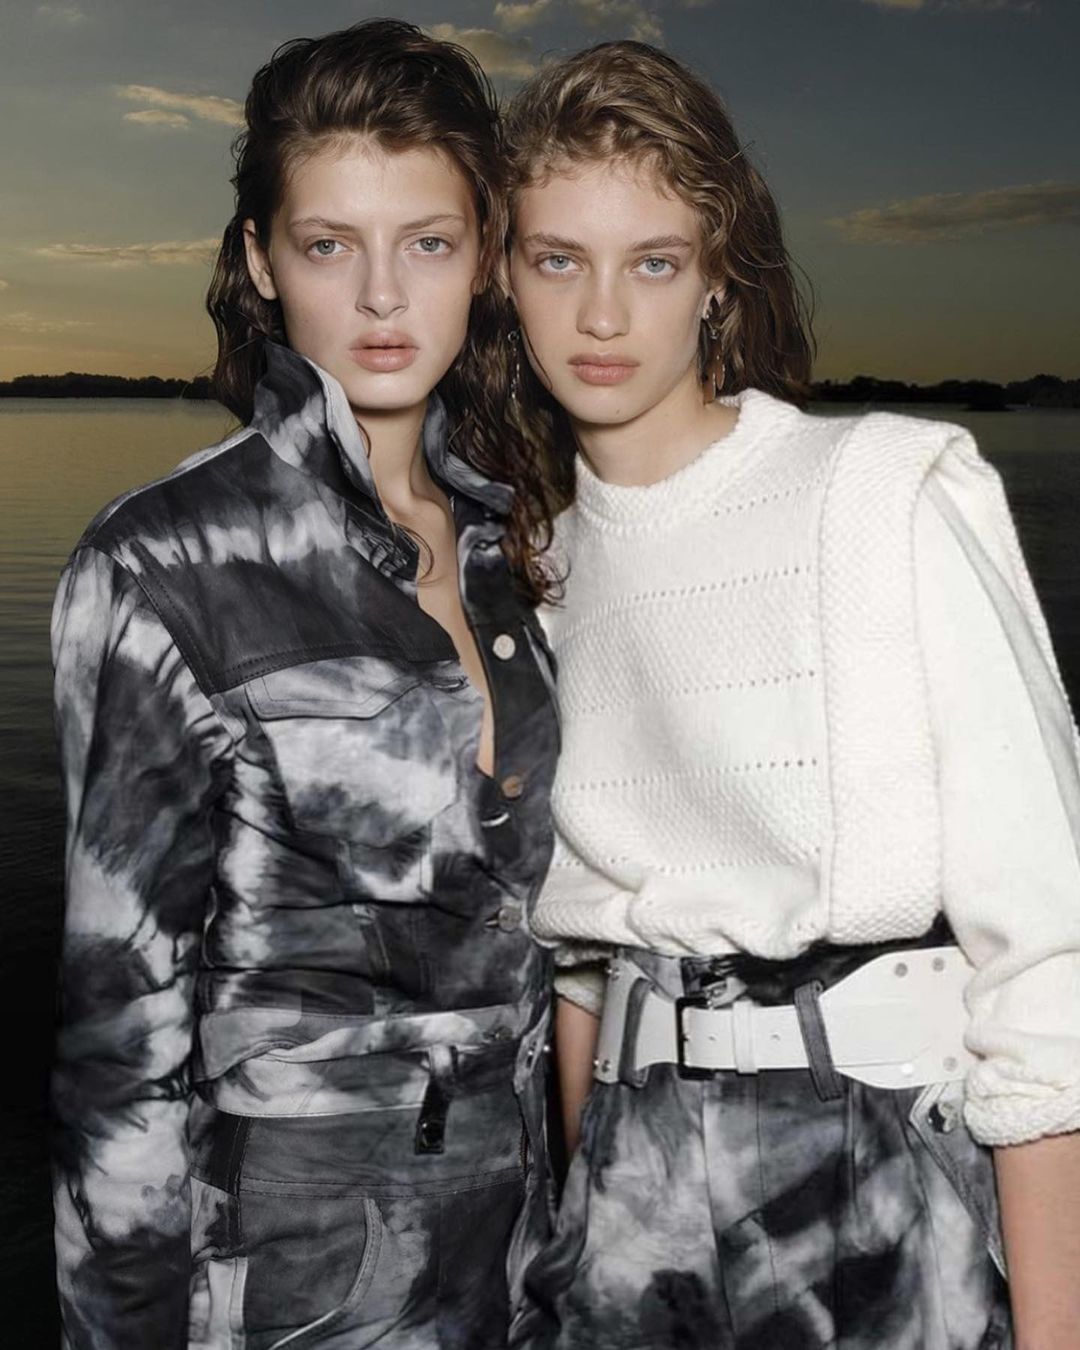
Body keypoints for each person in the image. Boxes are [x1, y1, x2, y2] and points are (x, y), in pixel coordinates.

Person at [501, 40, 1080, 1350]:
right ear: (507, 276)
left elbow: (1048, 960)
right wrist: (588, 1212)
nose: (603, 316)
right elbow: (584, 952)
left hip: (864, 1158)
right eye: (559, 260)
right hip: (630, 1185)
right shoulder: (544, 567)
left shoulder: (881, 496)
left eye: (654, 262)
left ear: (719, 276)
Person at [50, 20, 561, 1349]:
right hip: (297, 1269)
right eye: (331, 245)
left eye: (428, 243)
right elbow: (120, 1034)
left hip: (531, 1254)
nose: (384, 296)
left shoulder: (523, 545)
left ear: (486, 258)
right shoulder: (165, 559)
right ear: (261, 261)